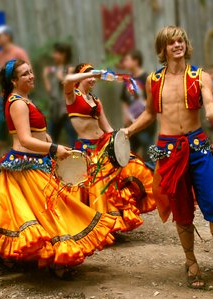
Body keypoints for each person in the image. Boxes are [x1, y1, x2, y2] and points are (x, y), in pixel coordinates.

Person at [122, 26, 213, 294]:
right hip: (169, 150)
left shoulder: (201, 77)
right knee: (182, 211)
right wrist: (128, 130)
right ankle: (191, 264)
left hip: (198, 148)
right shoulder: (153, 79)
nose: (178, 45)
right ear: (162, 49)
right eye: (171, 42)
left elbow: (210, 111)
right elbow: (150, 113)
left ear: (186, 46)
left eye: (181, 41)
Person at [0, 59, 117, 279]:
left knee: (32, 212)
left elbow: (36, 132)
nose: (31, 76)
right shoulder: (17, 102)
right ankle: (56, 260)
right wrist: (53, 148)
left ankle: (11, 257)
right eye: (25, 74)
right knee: (49, 211)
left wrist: (48, 140)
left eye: (31, 71)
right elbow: (24, 139)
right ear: (14, 80)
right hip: (25, 165)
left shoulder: (25, 100)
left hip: (36, 161)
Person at [63, 63, 156, 233]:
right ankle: (98, 227)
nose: (92, 79)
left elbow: (107, 128)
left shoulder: (96, 100)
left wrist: (119, 141)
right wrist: (93, 73)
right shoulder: (72, 96)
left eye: (94, 76)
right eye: (87, 75)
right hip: (86, 149)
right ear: (81, 76)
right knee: (93, 188)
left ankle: (111, 224)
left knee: (125, 171)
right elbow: (68, 79)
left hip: (102, 144)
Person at [0, 25, 30, 174]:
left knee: (23, 131)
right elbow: (2, 74)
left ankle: (29, 164)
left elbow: (28, 71)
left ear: (7, 36)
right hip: (2, 97)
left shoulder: (18, 52)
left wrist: (2, 72)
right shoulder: (0, 54)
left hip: (18, 97)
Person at [120, 50, 156, 160]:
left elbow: (152, 101)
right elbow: (124, 99)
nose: (124, 62)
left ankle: (150, 175)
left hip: (145, 124)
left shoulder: (147, 78)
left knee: (148, 154)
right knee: (128, 154)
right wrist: (126, 116)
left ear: (136, 61)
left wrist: (144, 106)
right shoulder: (127, 79)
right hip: (131, 123)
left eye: (127, 59)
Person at [42, 42, 76, 147]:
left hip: (67, 110)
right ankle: (51, 161)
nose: (53, 55)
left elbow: (70, 85)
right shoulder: (55, 69)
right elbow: (50, 91)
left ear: (64, 54)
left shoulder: (70, 68)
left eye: (56, 53)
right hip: (55, 110)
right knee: (50, 139)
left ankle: (77, 160)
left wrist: (60, 76)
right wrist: (45, 77)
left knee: (72, 138)